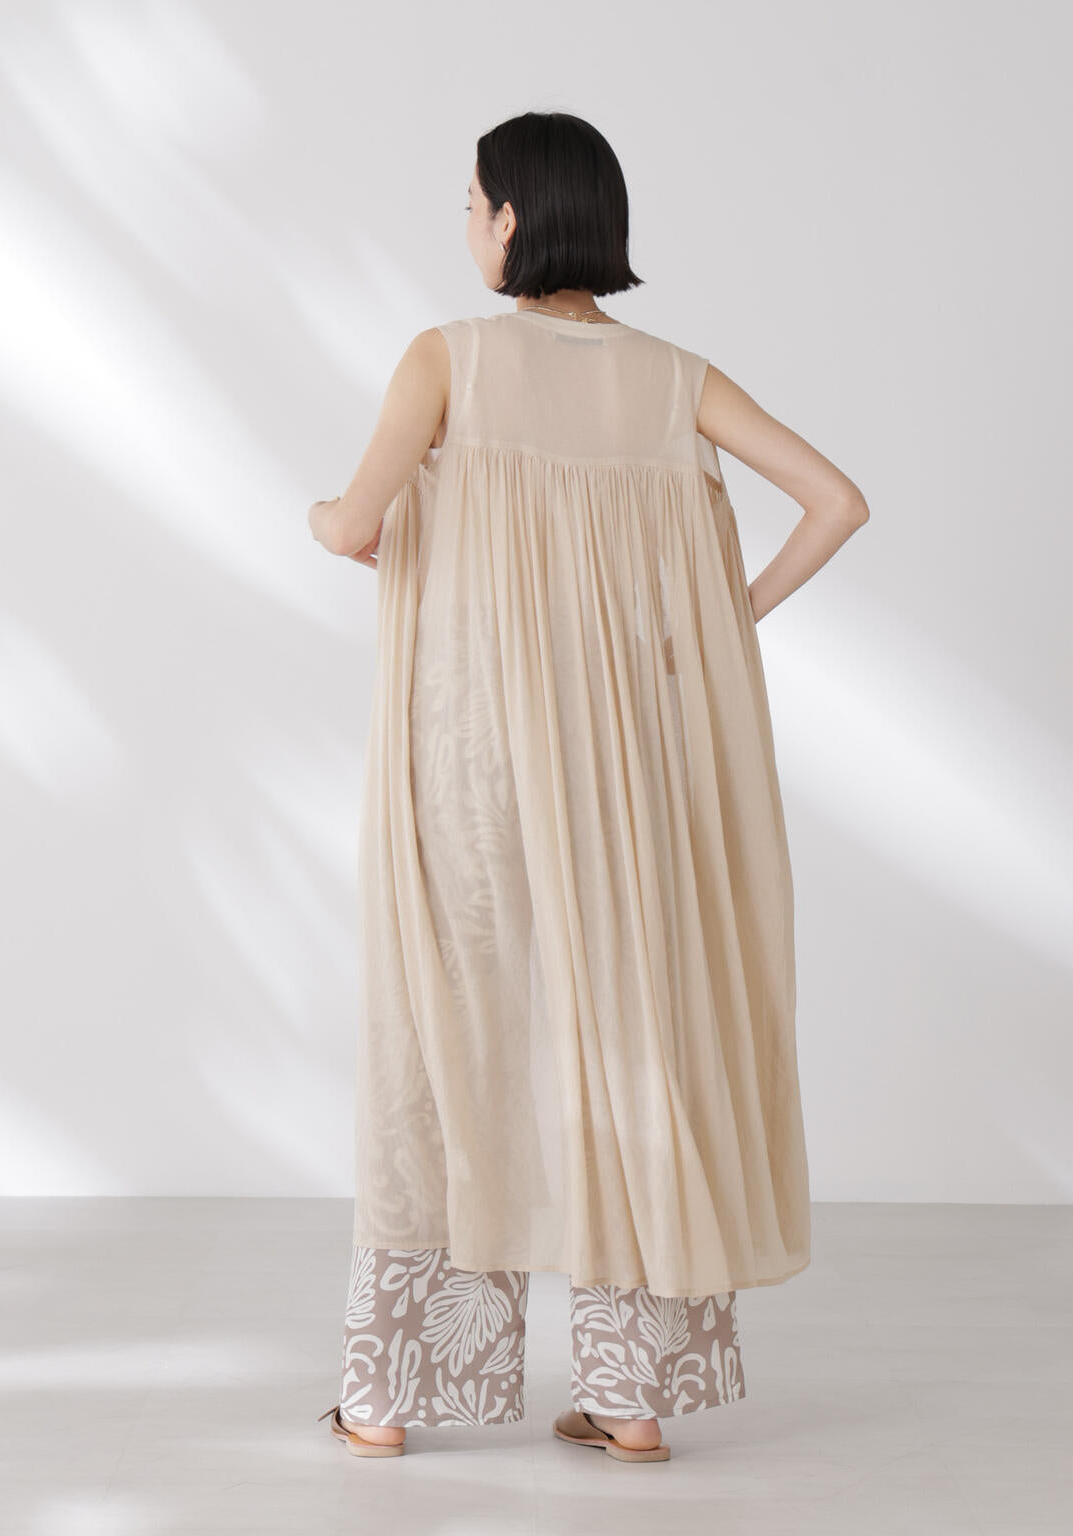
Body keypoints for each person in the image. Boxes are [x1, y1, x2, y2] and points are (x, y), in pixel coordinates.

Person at [308, 111, 869, 1459]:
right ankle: (629, 1398)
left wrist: (328, 521)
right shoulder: (676, 380)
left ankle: (388, 1398)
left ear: (511, 219)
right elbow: (837, 501)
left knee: (449, 1034)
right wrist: (719, 619)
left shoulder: (446, 359)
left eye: (471, 202)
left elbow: (356, 524)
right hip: (629, 770)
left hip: (472, 761)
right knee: (621, 1035)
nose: (466, 224)